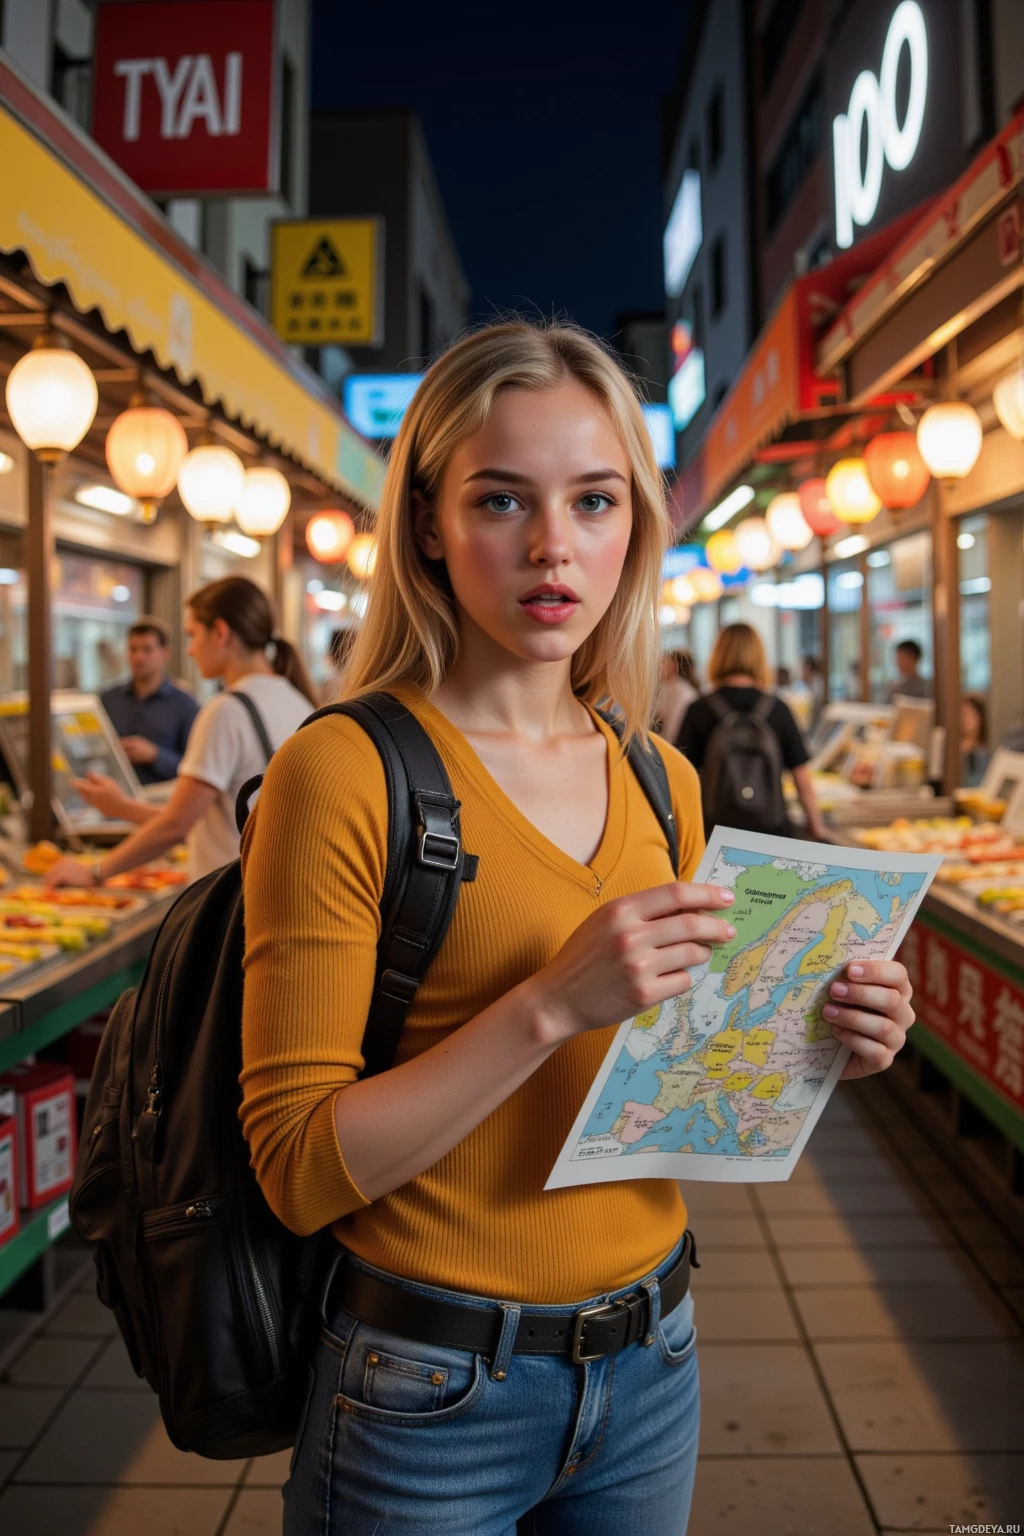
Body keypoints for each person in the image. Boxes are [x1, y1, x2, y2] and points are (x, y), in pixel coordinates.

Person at [238, 320, 914, 1535]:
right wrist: (549, 1003)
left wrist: (822, 1032)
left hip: (654, 1358)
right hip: (424, 1387)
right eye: (502, 499)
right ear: (430, 528)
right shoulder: (341, 772)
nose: (553, 546)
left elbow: (670, 1080)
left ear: (635, 530)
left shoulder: (660, 776)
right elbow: (294, 1170)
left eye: (594, 501)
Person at [45, 577, 317, 886]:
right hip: (273, 891)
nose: (189, 650)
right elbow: (201, 817)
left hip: (230, 903)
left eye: (193, 635)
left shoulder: (227, 710)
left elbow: (176, 826)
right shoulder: (297, 700)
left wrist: (95, 873)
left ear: (221, 632)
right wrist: (121, 807)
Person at [677, 622, 830, 841]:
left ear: (717, 655)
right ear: (760, 657)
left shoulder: (699, 709)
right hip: (771, 832)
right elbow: (801, 778)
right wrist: (816, 826)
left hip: (715, 832)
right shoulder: (777, 708)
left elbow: (679, 777)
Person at [100, 616, 199, 784]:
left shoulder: (185, 705)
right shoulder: (107, 699)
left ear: (165, 653)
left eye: (147, 649)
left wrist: (155, 755)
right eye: (133, 649)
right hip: (112, 797)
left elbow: (197, 768)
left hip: (161, 802)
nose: (139, 657)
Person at [655, 648, 699, 744]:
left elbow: (672, 729)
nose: (660, 667)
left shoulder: (675, 689)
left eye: (664, 663)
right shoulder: (688, 688)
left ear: (673, 666)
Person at [961, 694, 990, 788]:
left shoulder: (985, 754)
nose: (964, 719)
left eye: (969, 714)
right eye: (962, 714)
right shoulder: (954, 755)